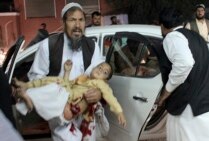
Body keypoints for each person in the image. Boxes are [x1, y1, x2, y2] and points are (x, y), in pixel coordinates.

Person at [25, 2, 105, 141]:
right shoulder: (48, 45)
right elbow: (35, 78)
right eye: (72, 20)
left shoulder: (92, 46)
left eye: (81, 20)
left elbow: (100, 76)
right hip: (61, 117)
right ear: (63, 22)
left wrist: (98, 92)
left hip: (87, 116)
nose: (77, 25)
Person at [157, 8, 209, 141]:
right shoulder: (196, 36)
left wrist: (165, 93)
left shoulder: (172, 37)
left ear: (162, 26)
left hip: (193, 113)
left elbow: (185, 63)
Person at [14, 60, 126, 127]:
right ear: (93, 68)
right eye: (99, 67)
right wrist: (67, 71)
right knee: (54, 80)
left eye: (104, 72)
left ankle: (29, 100)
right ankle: (26, 87)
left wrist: (119, 112)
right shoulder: (83, 78)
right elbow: (68, 84)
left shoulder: (101, 84)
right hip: (68, 94)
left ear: (105, 80)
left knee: (54, 84)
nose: (100, 70)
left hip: (72, 100)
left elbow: (110, 96)